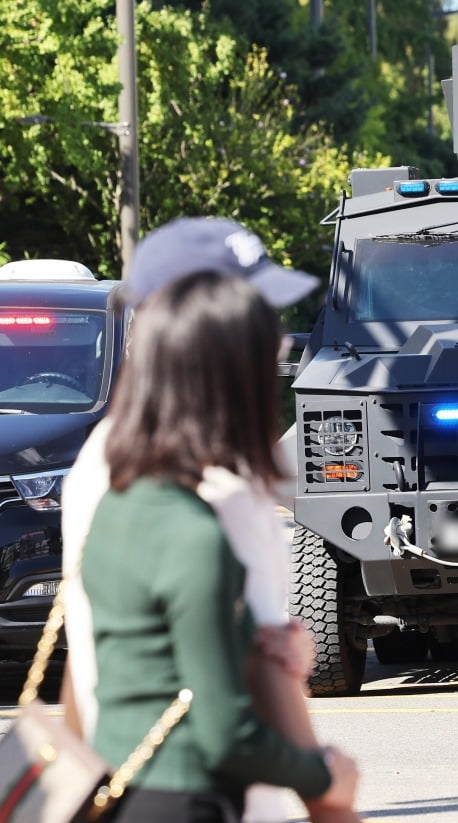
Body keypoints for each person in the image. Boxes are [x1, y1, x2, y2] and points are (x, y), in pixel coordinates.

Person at [63, 219, 358, 821]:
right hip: (219, 792)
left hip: (114, 775)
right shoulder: (212, 494)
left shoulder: (107, 461)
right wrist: (329, 795)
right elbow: (262, 677)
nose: (279, 344)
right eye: (259, 321)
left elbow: (90, 643)